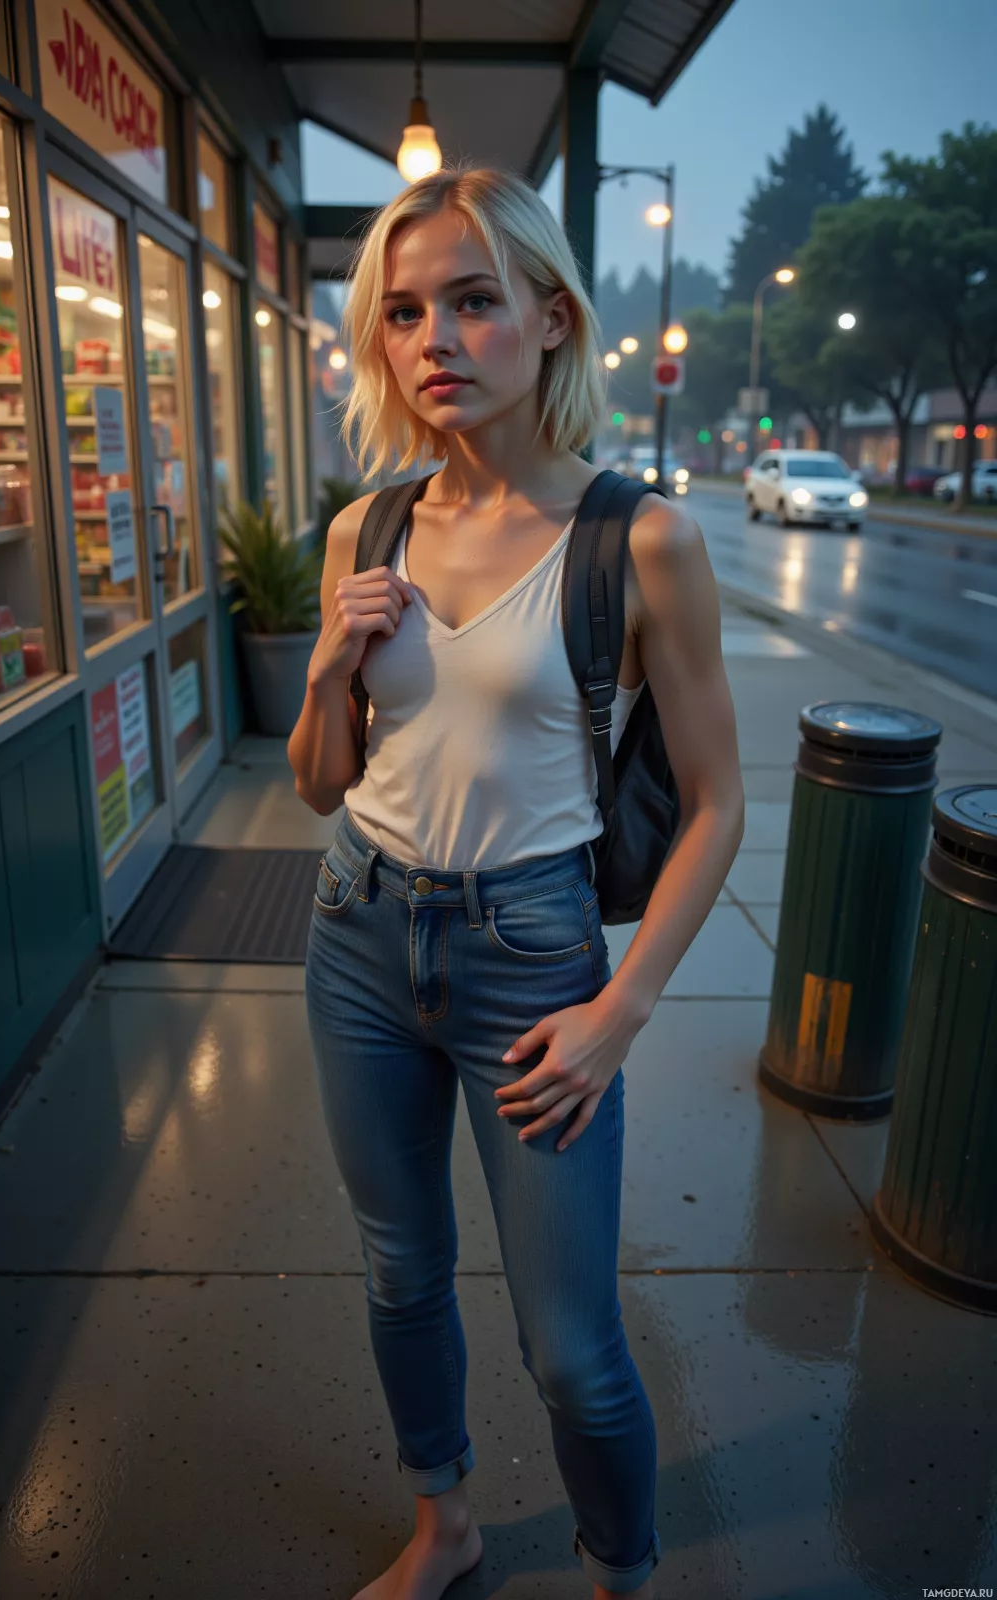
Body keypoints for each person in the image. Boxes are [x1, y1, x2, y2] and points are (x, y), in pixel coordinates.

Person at [288, 166, 744, 1600]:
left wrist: (622, 1008)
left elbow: (721, 805)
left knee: (571, 1341)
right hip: (357, 934)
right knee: (397, 1274)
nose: (435, 339)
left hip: (534, 955)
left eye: (474, 303)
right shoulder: (364, 534)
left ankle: (625, 1566)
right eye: (406, 310)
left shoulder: (639, 539)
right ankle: (450, 1526)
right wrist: (326, 672)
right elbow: (319, 779)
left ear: (551, 320)